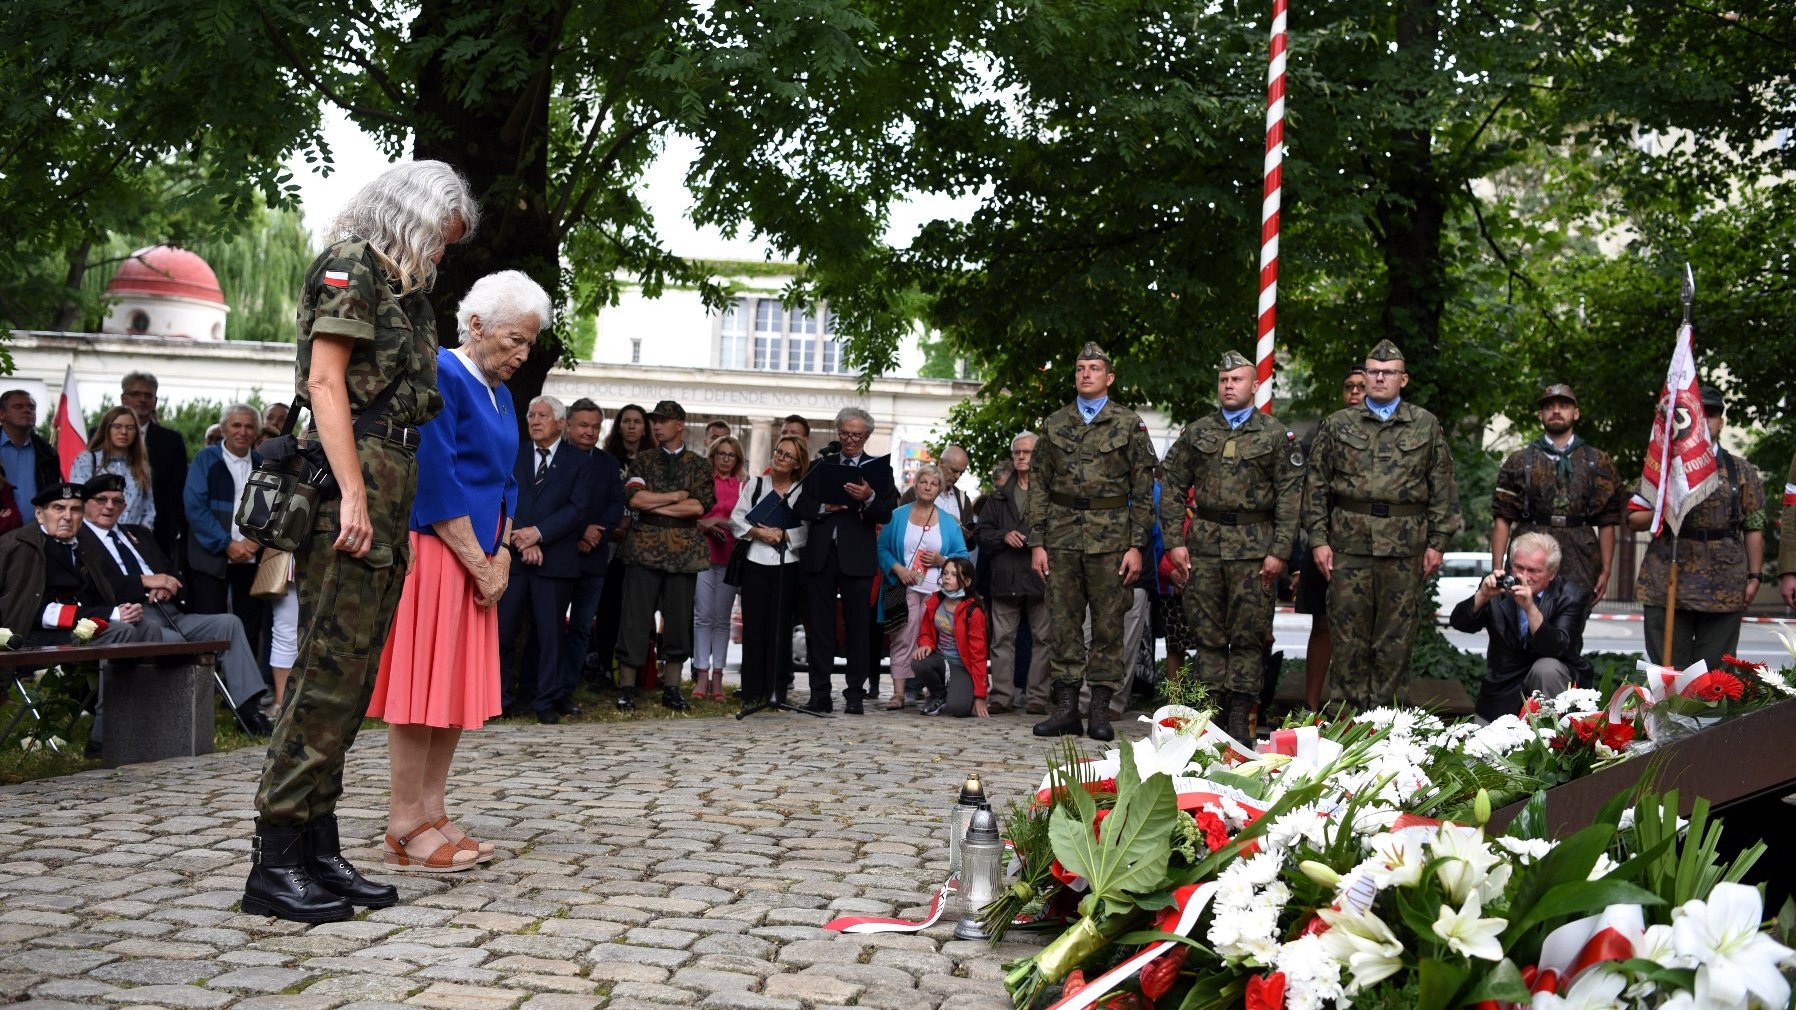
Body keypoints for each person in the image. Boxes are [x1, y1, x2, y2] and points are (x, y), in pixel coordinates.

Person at [244, 159, 478, 924]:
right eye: (439, 239)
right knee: (321, 675)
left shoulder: (403, 287)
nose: (441, 254)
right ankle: (275, 861)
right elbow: (324, 384)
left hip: (389, 481)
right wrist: (350, 491)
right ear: (411, 216)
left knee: (351, 682)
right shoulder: (351, 268)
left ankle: (318, 847)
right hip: (355, 483)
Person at [369, 269, 548, 874]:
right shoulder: (442, 372)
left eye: (530, 342)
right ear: (475, 325)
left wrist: (499, 555)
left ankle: (433, 810)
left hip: (480, 558)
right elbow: (436, 477)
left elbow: (508, 480)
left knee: (452, 693)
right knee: (422, 695)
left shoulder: (501, 393)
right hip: (439, 553)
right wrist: (479, 561)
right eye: (515, 339)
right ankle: (403, 824)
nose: (523, 353)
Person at [1303, 340, 1461, 711]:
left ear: (1402, 379)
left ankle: (1389, 726)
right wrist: (1317, 540)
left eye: (1388, 373)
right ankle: (1345, 723)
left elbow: (1443, 488)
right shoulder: (1338, 424)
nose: (1379, 378)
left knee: (1396, 640)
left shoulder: (1424, 424)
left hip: (1405, 550)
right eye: (1373, 371)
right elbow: (1315, 487)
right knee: (1346, 637)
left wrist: (1438, 542)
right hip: (1348, 547)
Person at [1160, 351, 1303, 741]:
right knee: (1206, 636)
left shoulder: (1275, 434)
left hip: (1255, 548)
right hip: (1204, 545)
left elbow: (1291, 496)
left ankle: (1239, 718)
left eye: (1237, 380)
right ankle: (1209, 716)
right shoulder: (1198, 432)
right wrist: (1174, 541)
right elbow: (1171, 483)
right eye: (1224, 380)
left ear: (1254, 386)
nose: (1229, 386)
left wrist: (1279, 552)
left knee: (1248, 636)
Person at [1023, 342, 1157, 742]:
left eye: (1094, 368)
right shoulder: (1055, 423)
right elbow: (1039, 487)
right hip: (1062, 538)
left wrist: (1136, 546)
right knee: (1062, 623)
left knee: (1108, 626)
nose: (1086, 374)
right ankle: (1065, 708)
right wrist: (1037, 542)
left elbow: (1143, 488)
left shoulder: (1129, 424)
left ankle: (1099, 709)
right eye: (1081, 367)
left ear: (1109, 377)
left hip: (1111, 541)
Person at [76, 473, 272, 737]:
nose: (109, 506)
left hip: (172, 611)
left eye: (116, 501)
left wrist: (167, 583)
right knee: (166, 638)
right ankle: (175, 722)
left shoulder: (139, 534)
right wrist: (144, 581)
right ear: (86, 504)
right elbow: (97, 588)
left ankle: (248, 711)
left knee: (228, 623)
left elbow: (176, 573)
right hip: (133, 617)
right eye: (101, 500)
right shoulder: (80, 541)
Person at [0, 481, 173, 757]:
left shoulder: (82, 548)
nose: (67, 516)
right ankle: (105, 737)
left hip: (85, 630)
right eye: (58, 508)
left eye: (75, 509)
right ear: (39, 514)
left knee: (149, 628)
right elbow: (41, 611)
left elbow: (98, 597)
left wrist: (124, 610)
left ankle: (147, 728)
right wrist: (111, 615)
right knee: (123, 633)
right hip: (31, 637)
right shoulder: (22, 546)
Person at [1627, 384, 1765, 670]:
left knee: (1714, 681)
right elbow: (1633, 519)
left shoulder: (1741, 470)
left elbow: (1754, 527)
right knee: (1670, 678)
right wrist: (1667, 501)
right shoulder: (1661, 468)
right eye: (1699, 414)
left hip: (1723, 587)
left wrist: (1754, 577)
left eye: (1712, 414)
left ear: (1722, 422)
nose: (1705, 421)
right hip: (1666, 582)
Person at [797, 406, 898, 714]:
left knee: (858, 629)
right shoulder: (820, 465)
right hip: (821, 556)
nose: (850, 439)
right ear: (837, 433)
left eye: (856, 434)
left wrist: (867, 496)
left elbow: (885, 512)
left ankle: (855, 694)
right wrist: (826, 507)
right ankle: (820, 694)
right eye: (844, 433)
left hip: (857, 557)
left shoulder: (879, 469)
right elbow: (801, 505)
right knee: (821, 627)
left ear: (866, 436)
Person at [497, 396, 591, 723]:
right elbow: (503, 495)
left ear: (561, 423)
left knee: (551, 635)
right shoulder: (513, 453)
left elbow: (577, 509)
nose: (535, 421)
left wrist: (538, 533)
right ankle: (500, 700)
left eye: (543, 415)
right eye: (531, 414)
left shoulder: (579, 462)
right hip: (513, 556)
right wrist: (523, 536)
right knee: (502, 632)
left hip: (556, 560)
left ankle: (545, 701)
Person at [1490, 384, 1626, 609]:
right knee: (1521, 624)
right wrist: (1498, 568)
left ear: (1576, 413)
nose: (1556, 411)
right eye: (1549, 406)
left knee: (1571, 628)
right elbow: (1502, 517)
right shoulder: (1519, 461)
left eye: (1563, 405)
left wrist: (1606, 568)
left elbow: (1607, 521)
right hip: (1529, 553)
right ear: (1540, 414)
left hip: (1580, 555)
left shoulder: (1598, 462)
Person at [616, 400, 714, 711]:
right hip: (643, 548)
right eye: (654, 420)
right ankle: (627, 687)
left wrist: (655, 504)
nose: (656, 426)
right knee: (634, 619)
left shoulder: (699, 465)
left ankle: (672, 686)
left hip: (684, 552)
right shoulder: (643, 461)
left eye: (663, 421)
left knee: (678, 620)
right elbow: (635, 498)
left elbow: (698, 507)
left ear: (680, 424)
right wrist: (674, 497)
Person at [1448, 532, 1588, 722]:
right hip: (1502, 685)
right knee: (1483, 747)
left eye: (1534, 570)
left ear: (1552, 573)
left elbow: (1558, 647)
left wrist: (1530, 608)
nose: (1524, 576)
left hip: (1550, 682)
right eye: (1519, 567)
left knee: (1546, 668)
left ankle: (1551, 734)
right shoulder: (1498, 588)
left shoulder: (1570, 595)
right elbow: (1459, 623)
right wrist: (1482, 596)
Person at [1292, 366, 1368, 709]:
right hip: (1324, 541)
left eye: (1361, 387)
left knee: (1364, 631)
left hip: (1369, 545)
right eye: (1349, 386)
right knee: (1321, 625)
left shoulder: (1393, 432)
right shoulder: (1325, 430)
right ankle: (1311, 707)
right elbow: (1305, 490)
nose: (1354, 392)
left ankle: (1357, 709)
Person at [878, 464, 970, 709]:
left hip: (935, 591)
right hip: (898, 586)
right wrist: (898, 569)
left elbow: (963, 555)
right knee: (900, 637)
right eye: (923, 482)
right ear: (915, 484)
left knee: (932, 640)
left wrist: (942, 560)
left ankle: (933, 691)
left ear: (940, 489)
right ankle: (898, 694)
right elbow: (882, 548)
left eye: (934, 483)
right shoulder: (896, 515)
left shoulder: (949, 522)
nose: (928, 487)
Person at [558, 398, 626, 710]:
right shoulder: (555, 458)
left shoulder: (609, 464)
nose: (590, 432)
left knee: (583, 628)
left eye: (596, 426)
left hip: (595, 557)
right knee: (552, 626)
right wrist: (581, 529)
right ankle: (544, 687)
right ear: (568, 425)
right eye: (583, 425)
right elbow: (555, 504)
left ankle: (566, 690)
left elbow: (616, 505)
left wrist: (597, 532)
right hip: (558, 555)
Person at [732, 434, 810, 704]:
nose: (780, 458)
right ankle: (752, 691)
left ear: (797, 464)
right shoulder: (756, 484)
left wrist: (785, 535)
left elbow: (808, 529)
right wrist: (757, 532)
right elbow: (736, 518)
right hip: (755, 561)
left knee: (780, 629)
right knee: (754, 627)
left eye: (788, 455)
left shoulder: (801, 490)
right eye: (779, 452)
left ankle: (776, 691)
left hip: (786, 564)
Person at [977, 431, 1049, 715]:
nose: (1021, 457)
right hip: (1005, 576)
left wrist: (1034, 540)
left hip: (1040, 576)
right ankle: (1002, 696)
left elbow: (1061, 530)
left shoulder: (1049, 492)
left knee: (1044, 639)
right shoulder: (998, 495)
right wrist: (1004, 536)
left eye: (1027, 452)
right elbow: (981, 533)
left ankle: (1037, 698)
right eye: (1017, 452)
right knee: (1002, 640)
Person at [588, 403, 650, 686]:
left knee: (636, 611)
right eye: (627, 421)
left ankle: (635, 672)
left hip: (642, 543)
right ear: (619, 426)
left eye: (638, 421)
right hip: (610, 541)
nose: (632, 426)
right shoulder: (606, 459)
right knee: (608, 606)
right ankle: (602, 665)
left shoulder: (651, 460)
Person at [692, 434, 746, 701]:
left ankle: (718, 676)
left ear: (737, 459)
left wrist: (719, 522)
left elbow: (743, 522)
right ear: (713, 455)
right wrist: (707, 523)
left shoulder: (742, 486)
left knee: (721, 619)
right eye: (721, 454)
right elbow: (694, 515)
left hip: (729, 558)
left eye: (731, 455)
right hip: (703, 553)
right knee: (703, 616)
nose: (725, 459)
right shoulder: (703, 482)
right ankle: (701, 674)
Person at [120, 373, 191, 560]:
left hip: (157, 533)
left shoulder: (171, 440)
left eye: (148, 395)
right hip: (108, 528)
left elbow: (178, 488)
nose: (142, 399)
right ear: (124, 399)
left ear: (155, 401)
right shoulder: (101, 435)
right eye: (136, 394)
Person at [910, 557, 991, 718]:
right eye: (945, 573)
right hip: (940, 660)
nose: (947, 577)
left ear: (967, 582)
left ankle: (954, 693)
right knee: (918, 661)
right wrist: (925, 643)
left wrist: (980, 696)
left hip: (961, 666)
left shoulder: (973, 611)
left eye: (954, 575)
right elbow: (925, 629)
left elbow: (978, 656)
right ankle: (938, 694)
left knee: (958, 709)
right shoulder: (936, 599)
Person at [70, 406, 157, 528]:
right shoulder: (87, 460)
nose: (124, 432)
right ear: (107, 428)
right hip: (94, 539)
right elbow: (76, 503)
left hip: (131, 539)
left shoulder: (141, 466)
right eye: (117, 426)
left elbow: (148, 510)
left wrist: (141, 538)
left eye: (130, 427)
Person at [0, 389, 59, 513]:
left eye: (31, 407)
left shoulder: (48, 453)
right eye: (18, 406)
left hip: (36, 528)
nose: (27, 410)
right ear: (2, 414)